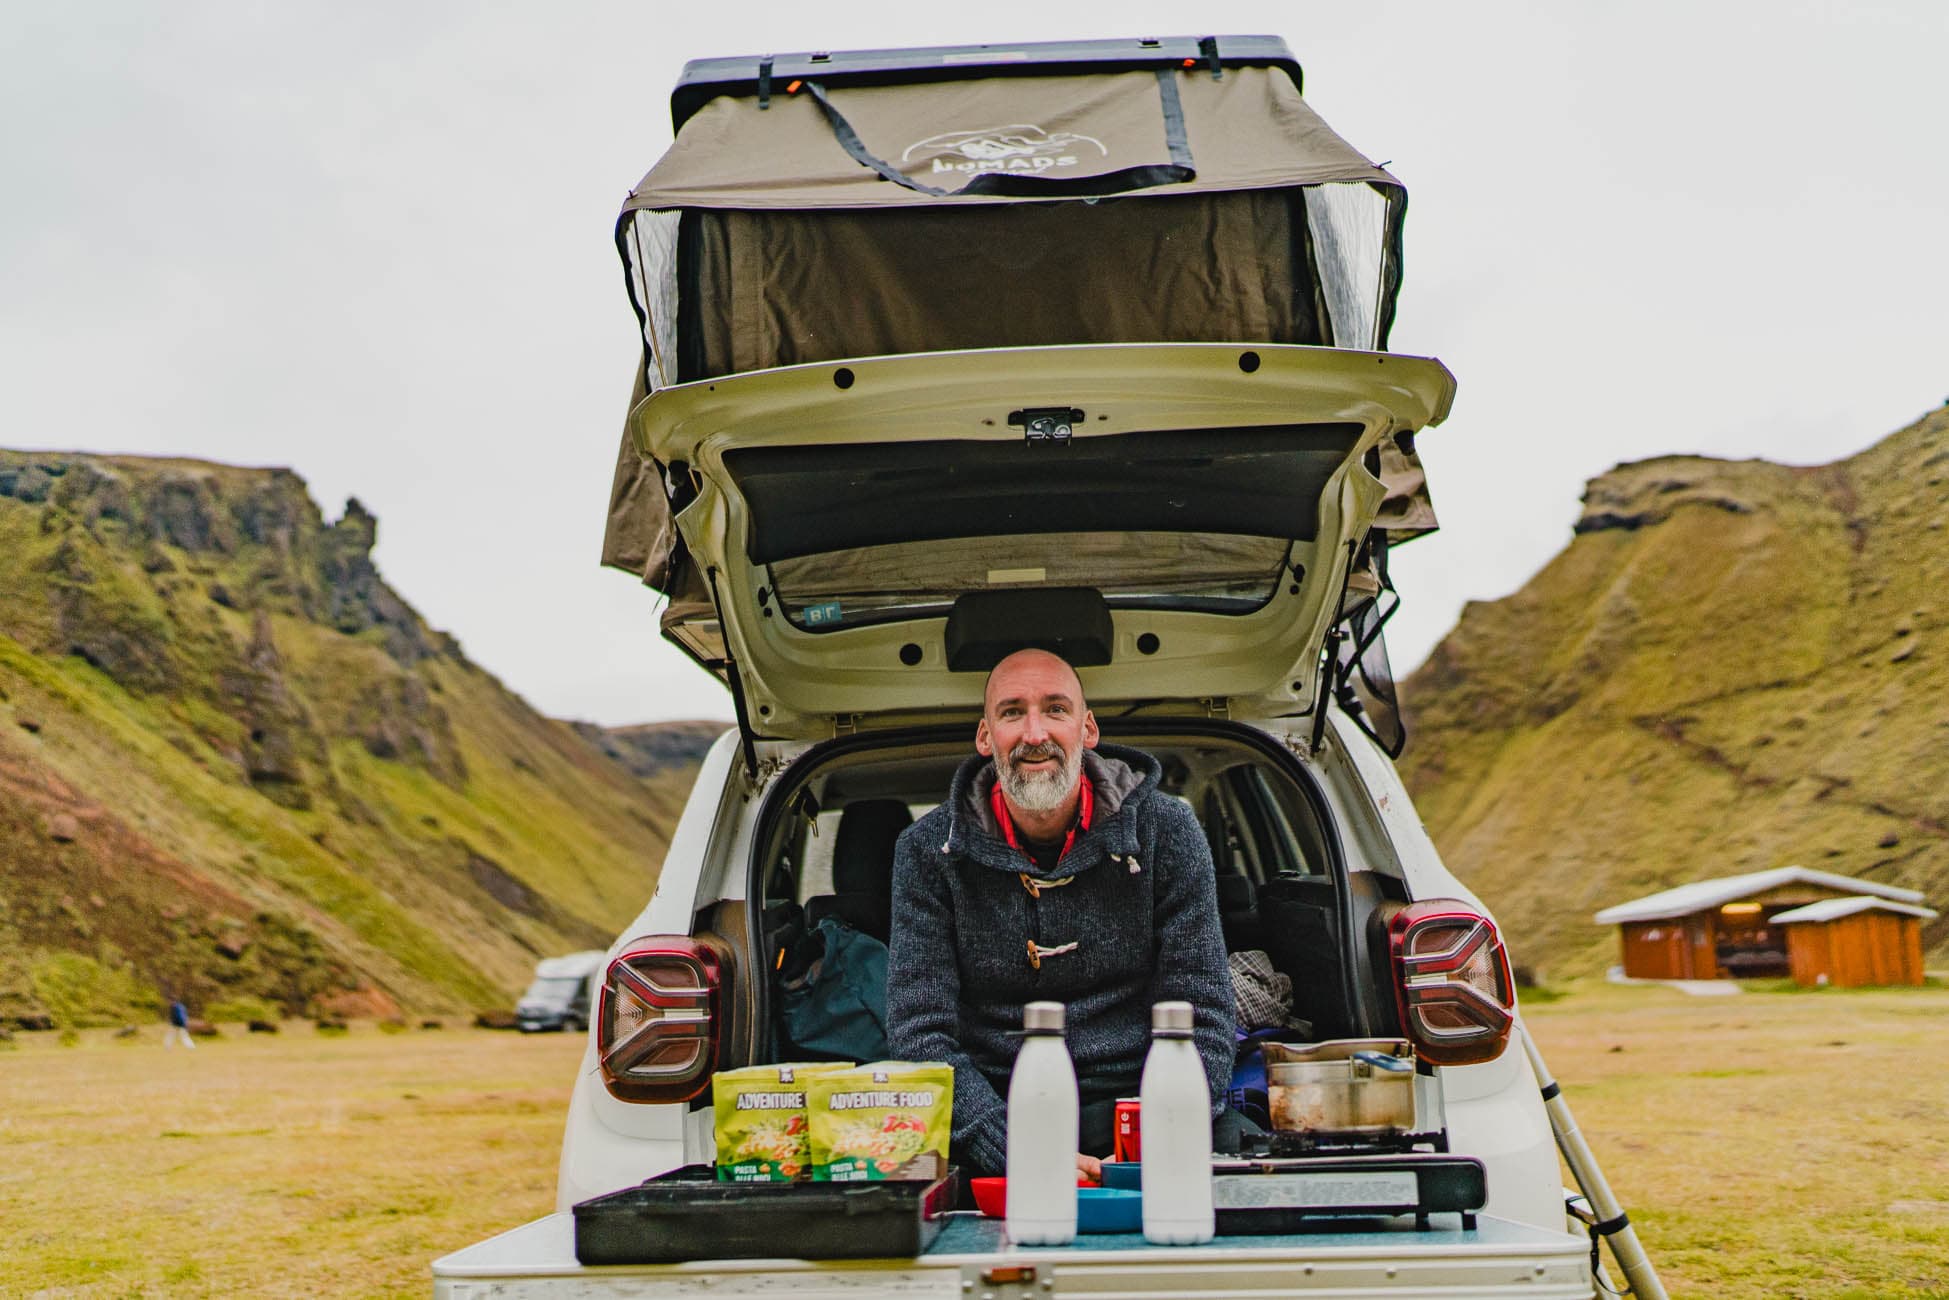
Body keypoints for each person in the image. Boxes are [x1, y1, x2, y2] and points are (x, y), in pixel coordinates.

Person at [886, 647, 1245, 1179]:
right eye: (1012, 712)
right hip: (992, 1113)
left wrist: (1153, 1140)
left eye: (1055, 709)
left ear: (1088, 728)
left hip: (1144, 1101)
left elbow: (1203, 1014)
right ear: (986, 737)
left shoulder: (1168, 831)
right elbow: (920, 1037)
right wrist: (1017, 1154)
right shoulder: (925, 851)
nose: (1035, 733)